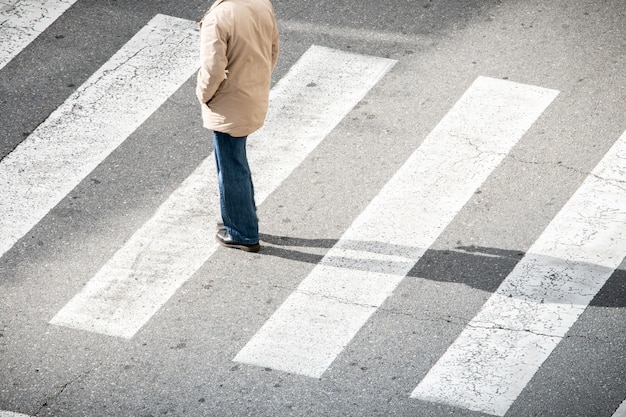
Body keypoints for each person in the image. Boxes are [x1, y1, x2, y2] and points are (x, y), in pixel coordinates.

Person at [196, 0, 279, 253]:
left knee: (231, 168)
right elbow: (273, 49)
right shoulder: (261, 2)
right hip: (252, 93)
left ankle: (242, 231)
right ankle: (240, 216)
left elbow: (212, 70)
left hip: (229, 101)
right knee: (236, 161)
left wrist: (203, 95)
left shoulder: (218, 18)